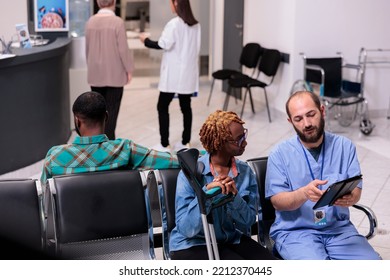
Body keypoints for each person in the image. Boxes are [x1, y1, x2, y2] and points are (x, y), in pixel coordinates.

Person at [265, 90, 380, 260]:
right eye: (298, 119)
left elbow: (356, 190)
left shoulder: (345, 147)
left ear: (322, 111)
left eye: (311, 115)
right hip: (297, 233)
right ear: (290, 121)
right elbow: (277, 202)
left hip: (339, 230)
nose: (307, 123)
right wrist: (303, 193)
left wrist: (351, 198)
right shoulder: (279, 155)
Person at [169, 110, 276, 260]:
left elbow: (248, 221)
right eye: (238, 139)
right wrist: (205, 194)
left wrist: (234, 197)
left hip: (230, 239)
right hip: (192, 243)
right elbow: (187, 230)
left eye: (244, 136)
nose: (245, 142)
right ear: (220, 143)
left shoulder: (245, 172)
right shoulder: (190, 173)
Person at [40, 91, 179, 186]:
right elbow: (172, 162)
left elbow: (44, 202)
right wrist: (199, 154)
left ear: (77, 121)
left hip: (71, 227)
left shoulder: (54, 157)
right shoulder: (125, 150)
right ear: (106, 117)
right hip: (122, 226)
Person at [139, 0, 201, 153]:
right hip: (187, 73)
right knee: (186, 107)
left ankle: (164, 144)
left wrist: (144, 40)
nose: (170, 6)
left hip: (173, 75)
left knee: (162, 106)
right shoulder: (196, 25)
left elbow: (162, 44)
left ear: (176, 3)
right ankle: (185, 142)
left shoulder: (174, 24)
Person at [85, 0, 133, 140]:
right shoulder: (117, 22)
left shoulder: (90, 22)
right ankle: (109, 145)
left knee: (98, 112)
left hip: (95, 74)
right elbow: (123, 50)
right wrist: (129, 69)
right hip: (115, 75)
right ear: (113, 2)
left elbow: (87, 50)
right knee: (111, 112)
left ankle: (98, 143)